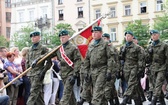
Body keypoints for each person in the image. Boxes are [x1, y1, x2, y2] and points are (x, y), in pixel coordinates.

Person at [82, 26, 116, 105]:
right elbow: (87, 59)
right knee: (101, 94)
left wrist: (109, 71)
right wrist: (86, 71)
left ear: (101, 33)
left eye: (96, 32)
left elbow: (110, 58)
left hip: (102, 70)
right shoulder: (91, 44)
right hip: (93, 70)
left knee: (97, 92)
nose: (94, 34)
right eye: (93, 32)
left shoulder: (105, 44)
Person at [26, 31, 52, 105]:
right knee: (38, 95)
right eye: (32, 37)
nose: (33, 38)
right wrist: (28, 73)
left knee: (33, 92)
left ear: (39, 37)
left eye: (35, 36)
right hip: (31, 74)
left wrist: (43, 72)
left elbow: (49, 62)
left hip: (38, 74)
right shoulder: (30, 49)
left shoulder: (43, 48)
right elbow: (27, 62)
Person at [119, 31, 144, 105]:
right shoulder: (123, 47)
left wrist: (140, 70)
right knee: (134, 88)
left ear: (132, 37)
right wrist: (122, 53)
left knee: (131, 84)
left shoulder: (137, 48)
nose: (127, 37)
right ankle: (138, 102)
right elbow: (120, 58)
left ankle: (125, 99)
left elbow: (141, 59)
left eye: (129, 36)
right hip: (126, 69)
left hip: (134, 67)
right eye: (126, 36)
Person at [146, 30, 168, 105]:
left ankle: (153, 101)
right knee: (156, 86)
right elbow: (147, 60)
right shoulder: (150, 46)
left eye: (155, 34)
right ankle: (162, 102)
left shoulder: (164, 45)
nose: (153, 36)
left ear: (158, 35)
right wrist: (149, 53)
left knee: (158, 84)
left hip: (162, 68)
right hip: (153, 69)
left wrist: (166, 68)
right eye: (152, 35)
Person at [102, 33, 120, 105]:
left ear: (108, 39)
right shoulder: (103, 47)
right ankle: (115, 101)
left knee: (108, 87)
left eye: (105, 38)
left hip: (112, 70)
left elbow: (117, 60)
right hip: (105, 70)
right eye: (102, 38)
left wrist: (118, 70)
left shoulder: (112, 47)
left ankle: (108, 101)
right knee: (111, 87)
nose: (103, 40)